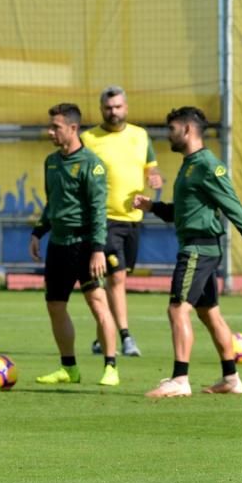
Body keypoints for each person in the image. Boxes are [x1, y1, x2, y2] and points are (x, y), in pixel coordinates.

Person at [133, 106, 242, 398]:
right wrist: (152, 207)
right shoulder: (189, 165)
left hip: (199, 250)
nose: (168, 135)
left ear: (187, 130)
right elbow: (182, 213)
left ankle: (180, 379)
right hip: (199, 247)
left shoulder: (208, 165)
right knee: (209, 314)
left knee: (177, 308)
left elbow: (233, 207)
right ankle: (232, 378)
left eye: (171, 129)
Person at [30, 103, 119, 387]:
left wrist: (97, 249)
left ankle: (111, 366)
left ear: (73, 128)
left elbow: (98, 210)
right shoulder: (51, 162)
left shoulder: (91, 165)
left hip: (84, 246)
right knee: (55, 305)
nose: (50, 132)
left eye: (55, 127)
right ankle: (69, 368)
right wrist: (38, 232)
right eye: (50, 126)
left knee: (97, 303)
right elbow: (52, 203)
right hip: (58, 244)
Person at [80, 86, 163, 357]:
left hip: (132, 220)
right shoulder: (89, 138)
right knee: (116, 278)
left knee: (121, 278)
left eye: (117, 107)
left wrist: (154, 177)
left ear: (126, 107)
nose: (113, 112)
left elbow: (151, 165)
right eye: (108, 107)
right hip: (104, 219)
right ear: (101, 109)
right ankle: (126, 338)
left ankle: (101, 337)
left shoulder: (140, 135)